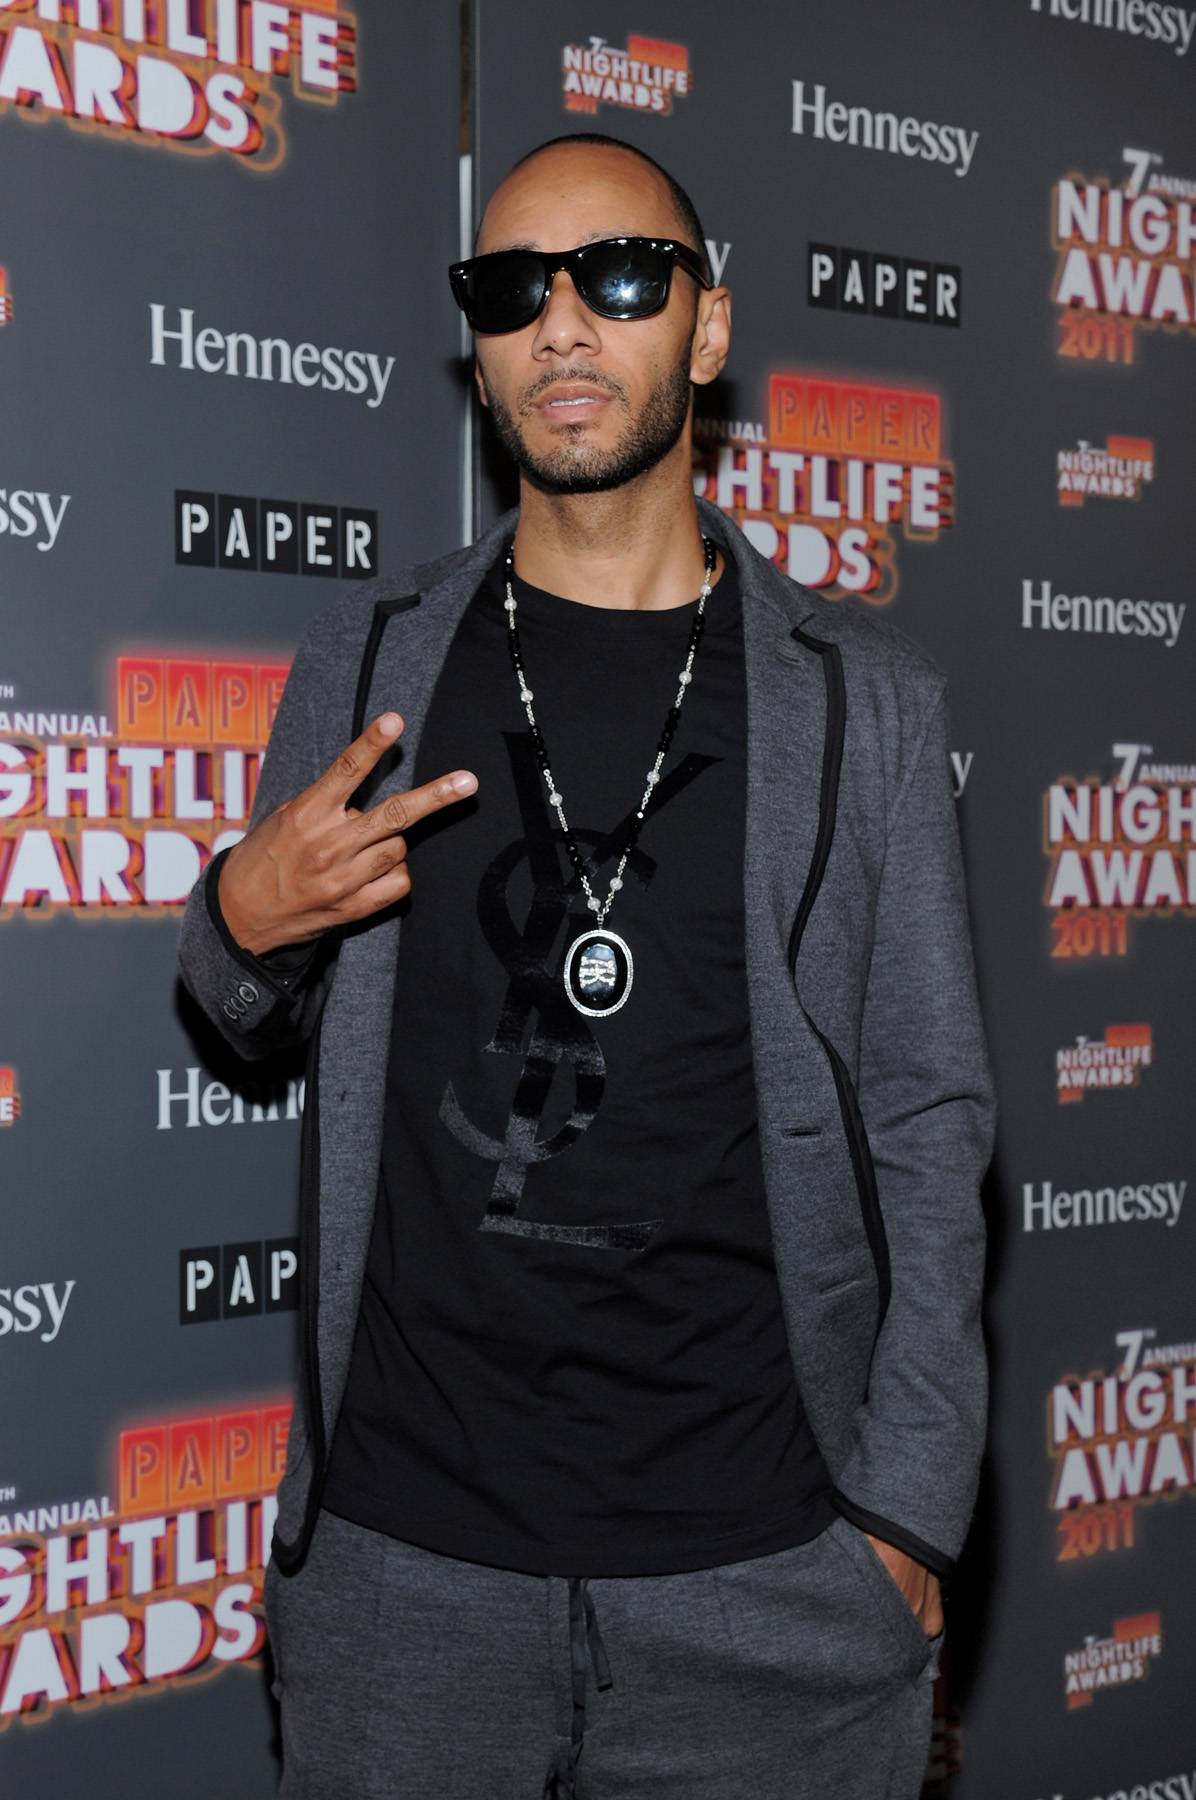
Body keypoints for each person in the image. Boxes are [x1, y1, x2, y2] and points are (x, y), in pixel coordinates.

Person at [177, 130, 995, 1800]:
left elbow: (930, 1114)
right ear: (476, 345)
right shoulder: (370, 658)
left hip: (771, 1577)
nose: (562, 324)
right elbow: (246, 1003)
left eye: (619, 277)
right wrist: (236, 929)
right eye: (509, 289)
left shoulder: (864, 699)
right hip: (407, 1578)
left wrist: (905, 1511)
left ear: (705, 331)